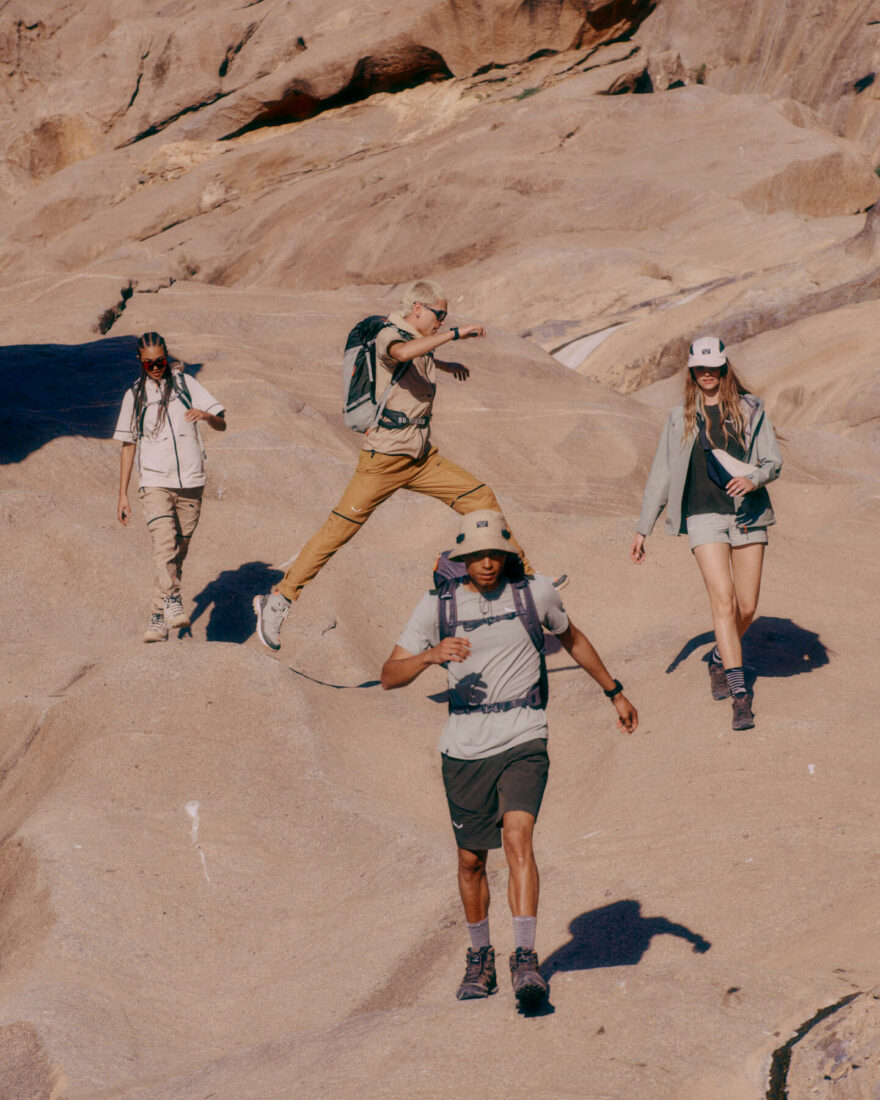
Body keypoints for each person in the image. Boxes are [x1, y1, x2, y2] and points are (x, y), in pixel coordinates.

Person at [381, 510, 637, 1008]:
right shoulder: (437, 607)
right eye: (476, 556)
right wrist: (430, 657)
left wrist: (615, 692)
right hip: (464, 745)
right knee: (471, 861)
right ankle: (481, 958)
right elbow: (389, 674)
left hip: (524, 733)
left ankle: (525, 958)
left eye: (494, 553)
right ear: (462, 560)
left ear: (507, 554)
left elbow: (573, 639)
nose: (487, 563)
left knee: (519, 836)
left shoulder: (535, 594)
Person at [253, 279, 559, 651]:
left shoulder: (417, 335)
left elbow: (418, 355)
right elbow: (400, 354)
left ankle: (524, 581)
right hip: (383, 460)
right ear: (418, 309)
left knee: (481, 498)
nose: (443, 322)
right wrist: (455, 336)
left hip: (421, 456)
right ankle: (279, 599)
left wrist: (444, 364)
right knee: (337, 533)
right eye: (439, 315)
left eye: (446, 318)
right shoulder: (389, 334)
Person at [630, 336, 782, 730]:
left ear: (724, 367)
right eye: (701, 368)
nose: (708, 374)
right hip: (703, 516)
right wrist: (643, 527)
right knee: (723, 601)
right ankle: (739, 694)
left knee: (746, 607)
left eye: (714, 367)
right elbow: (661, 473)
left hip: (748, 514)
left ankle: (717, 656)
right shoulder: (680, 416)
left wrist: (753, 481)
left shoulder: (751, 409)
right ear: (692, 372)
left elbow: (772, 461)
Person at [115, 332, 226, 642]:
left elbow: (222, 420)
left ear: (166, 356)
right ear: (140, 360)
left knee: (175, 554)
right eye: (149, 363)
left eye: (160, 361)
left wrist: (206, 416)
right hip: (154, 482)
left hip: (191, 483)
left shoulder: (186, 385)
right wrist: (123, 494)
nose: (155, 367)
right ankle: (173, 599)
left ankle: (155, 616)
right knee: (164, 545)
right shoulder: (134, 396)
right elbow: (127, 445)